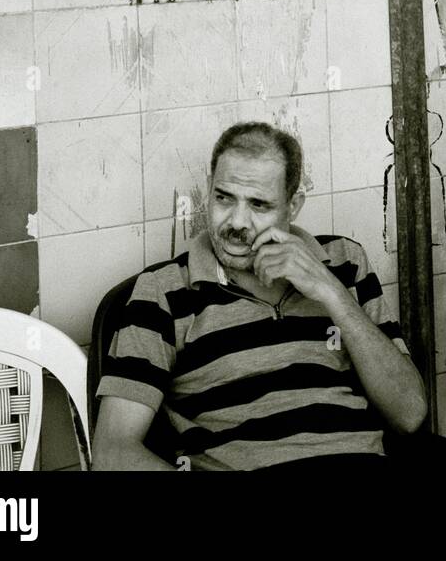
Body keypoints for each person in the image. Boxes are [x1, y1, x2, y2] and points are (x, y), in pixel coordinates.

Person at [92, 122, 427, 471]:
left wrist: (329, 291)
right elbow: (113, 453)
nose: (236, 222)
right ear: (208, 190)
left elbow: (410, 414)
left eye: (259, 204)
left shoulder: (345, 262)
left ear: (293, 205)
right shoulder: (163, 291)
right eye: (223, 197)